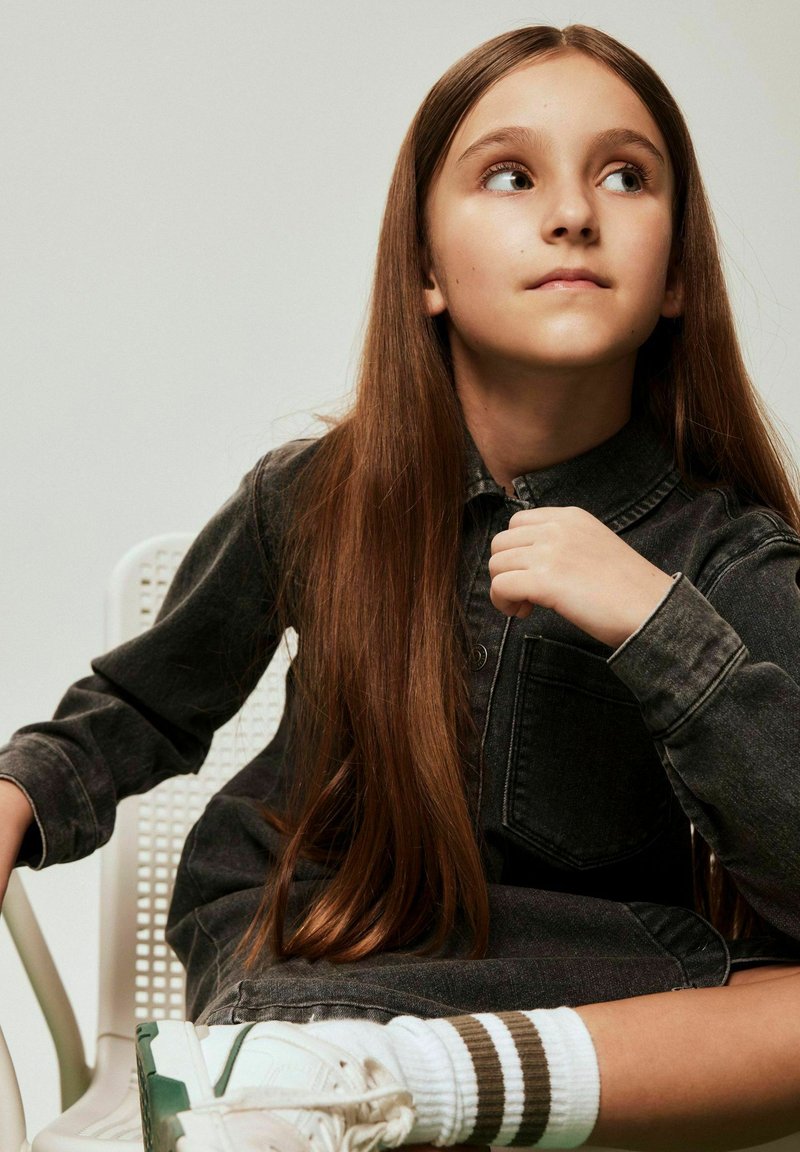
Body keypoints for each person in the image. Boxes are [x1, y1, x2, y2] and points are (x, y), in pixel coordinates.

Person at [2, 20, 800, 1152]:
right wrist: (19, 797)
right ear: (423, 269)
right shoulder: (313, 494)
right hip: (336, 946)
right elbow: (143, 707)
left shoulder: (727, 550)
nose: (572, 211)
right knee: (303, 998)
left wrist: (655, 626)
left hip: (598, 976)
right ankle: (320, 1077)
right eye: (510, 175)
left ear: (675, 273)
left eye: (624, 175)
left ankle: (366, 1089)